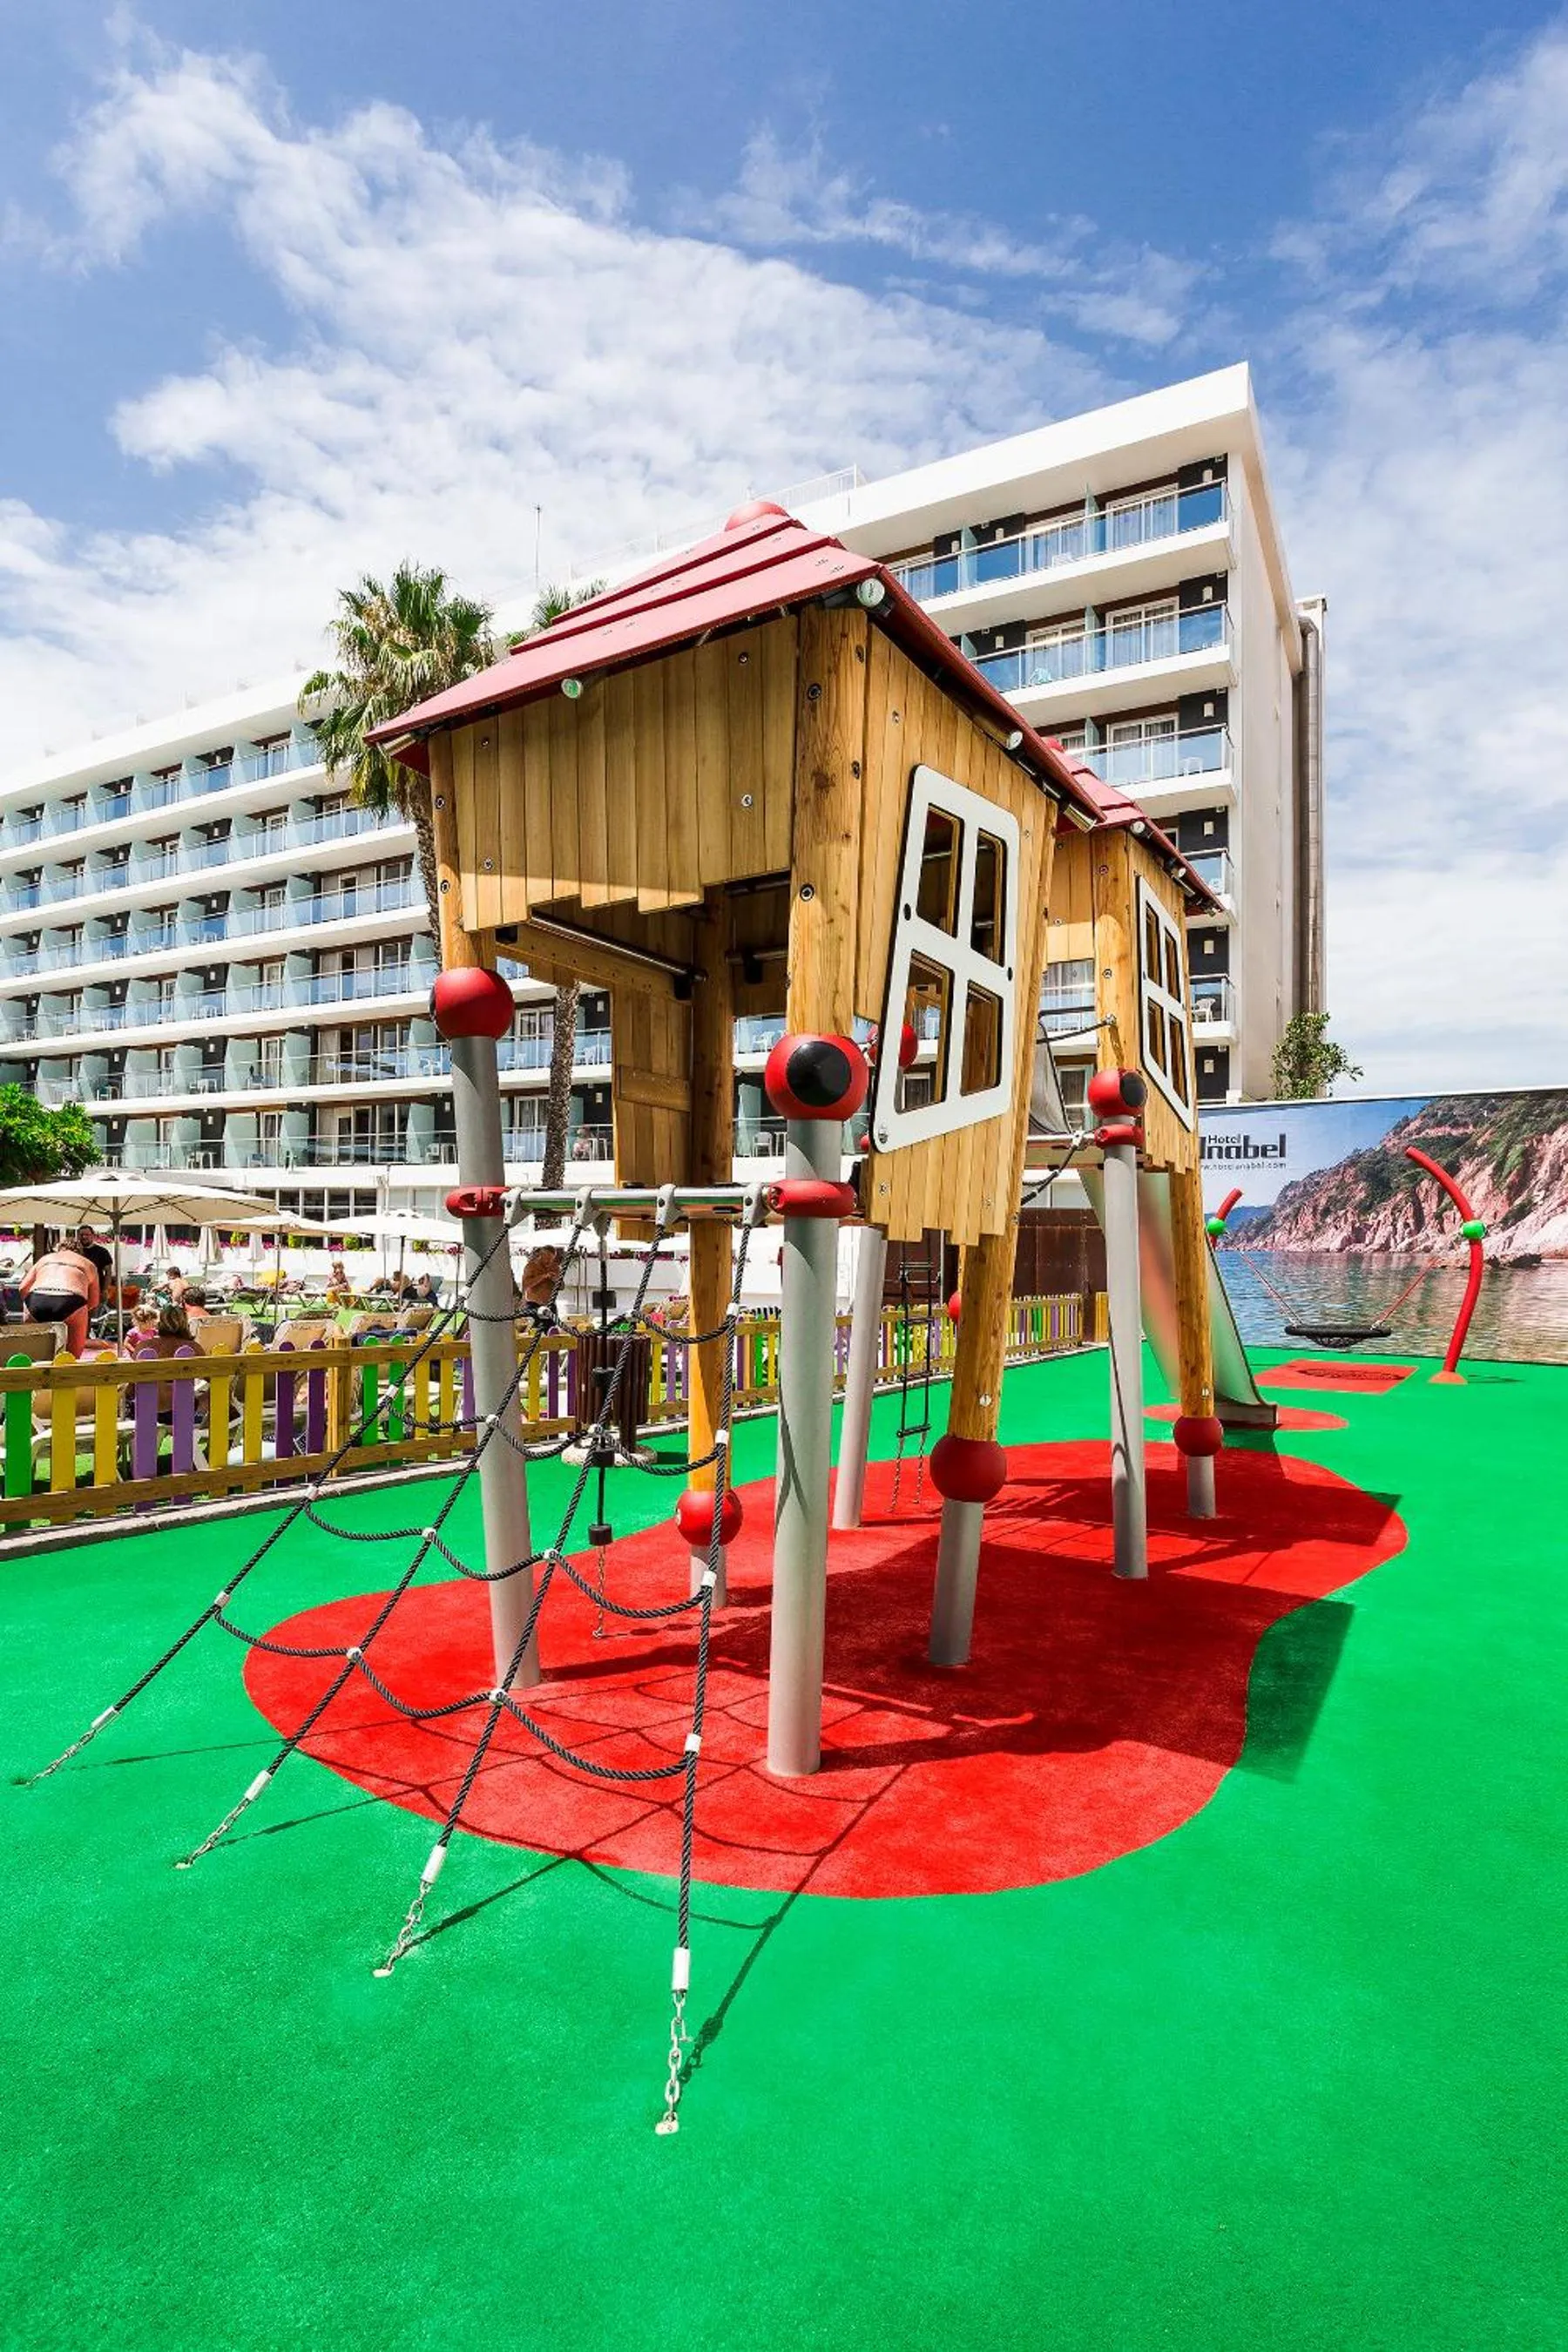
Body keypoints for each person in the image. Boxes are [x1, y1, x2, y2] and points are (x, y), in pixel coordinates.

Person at [19, 1240, 100, 1355]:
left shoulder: (45, 1259)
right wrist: (75, 1312)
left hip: (37, 1298)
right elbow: (94, 1302)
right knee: (72, 1358)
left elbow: (23, 1288)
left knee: (30, 1356)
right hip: (70, 1298)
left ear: (58, 1249)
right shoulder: (88, 1264)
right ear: (80, 1252)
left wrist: (31, 1306)